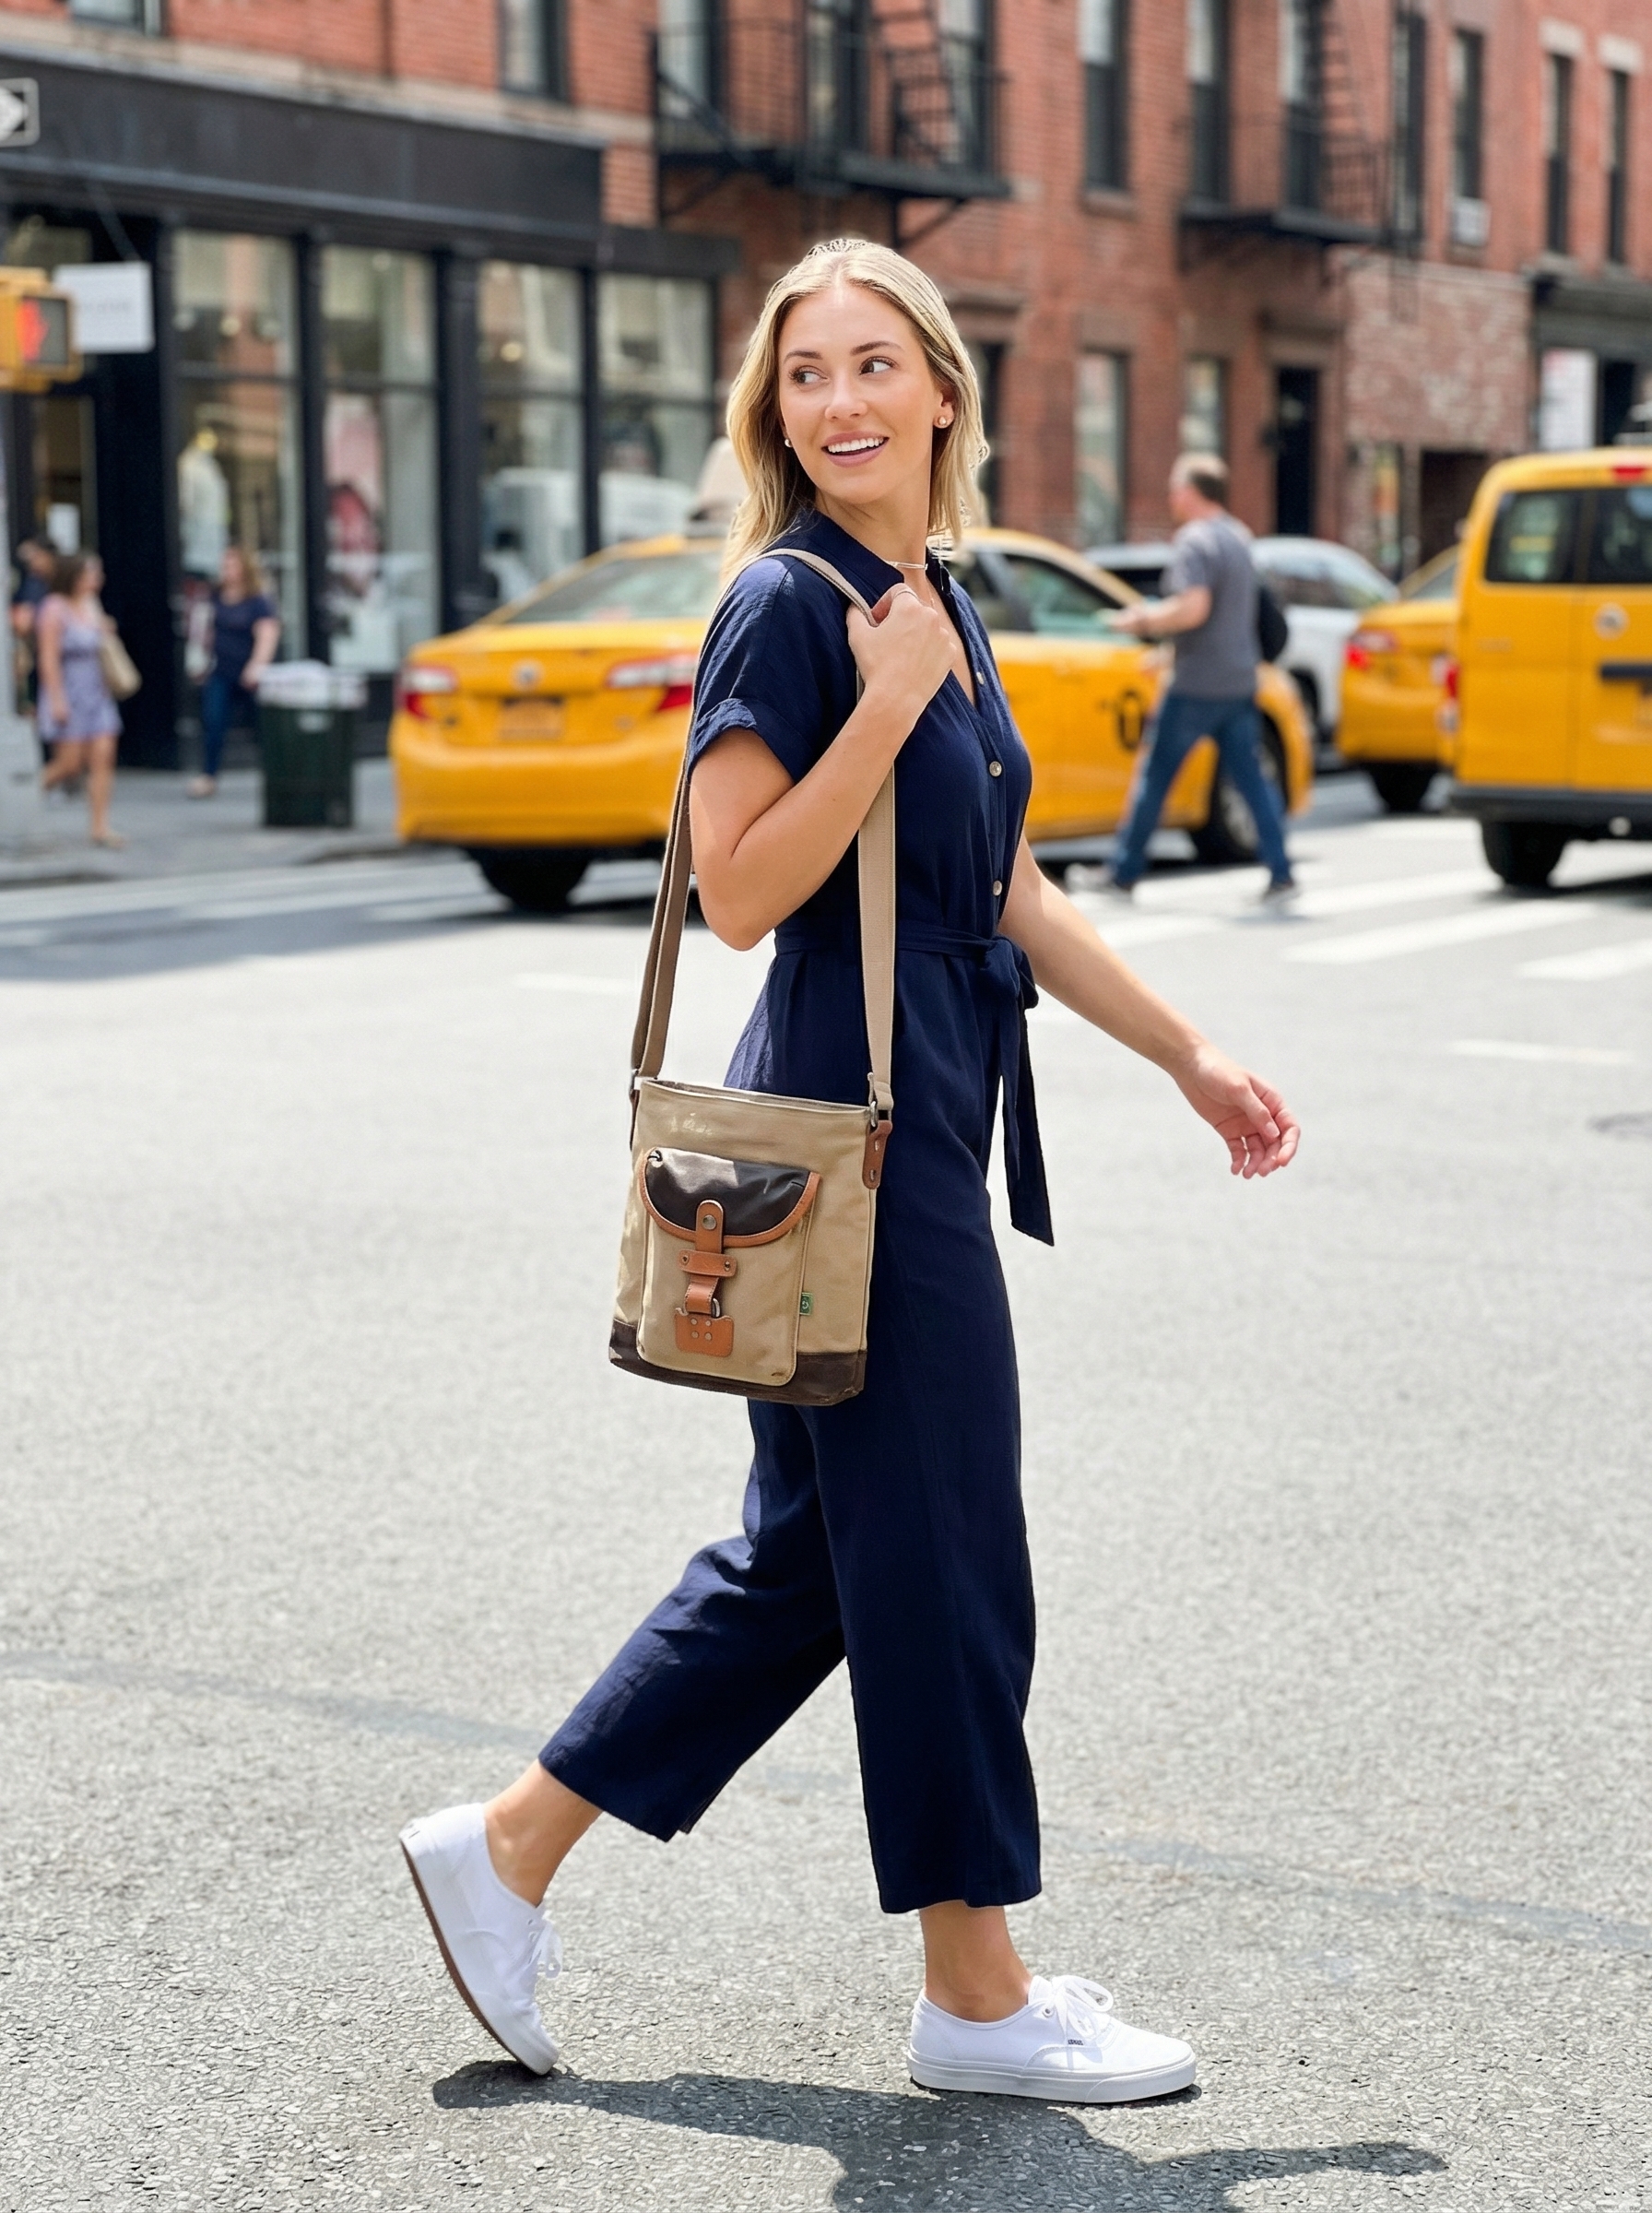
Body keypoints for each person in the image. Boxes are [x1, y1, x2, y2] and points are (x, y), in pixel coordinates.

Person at [399, 239, 1300, 2104]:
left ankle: (504, 1851)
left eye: (871, 364)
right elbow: (735, 893)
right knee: (944, 1547)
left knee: (817, 1557)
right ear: (773, 410)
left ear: (943, 392)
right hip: (851, 1132)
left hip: (921, 1123)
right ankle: (975, 1994)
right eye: (803, 374)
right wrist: (881, 708)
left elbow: (1006, 889)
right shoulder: (795, 609)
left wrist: (1190, 1055)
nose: (838, 401)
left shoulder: (930, 595)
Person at [1106, 454, 1296, 905]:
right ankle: (1282, 871)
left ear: (1191, 493)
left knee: (1155, 775)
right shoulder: (1239, 537)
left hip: (1196, 686)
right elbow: (1231, 617)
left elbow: (1195, 608)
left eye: (1176, 488)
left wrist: (1143, 620)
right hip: (1239, 679)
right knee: (1251, 778)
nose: (1172, 497)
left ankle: (1123, 872)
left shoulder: (1194, 541)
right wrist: (1169, 652)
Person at [37, 551, 125, 848]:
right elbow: (48, 658)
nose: (97, 580)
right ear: (75, 576)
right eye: (91, 573)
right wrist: (57, 700)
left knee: (103, 757)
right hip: (69, 692)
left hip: (97, 693)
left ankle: (100, 826)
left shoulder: (92, 605)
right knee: (69, 765)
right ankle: (18, 799)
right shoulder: (54, 608)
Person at [187, 545, 279, 799]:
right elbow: (202, 630)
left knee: (261, 726)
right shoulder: (215, 596)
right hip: (221, 671)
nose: (226, 570)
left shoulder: (258, 600)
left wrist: (257, 666)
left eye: (232, 565)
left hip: (249, 674)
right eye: (224, 565)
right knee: (214, 722)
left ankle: (276, 774)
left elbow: (267, 634)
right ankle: (209, 776)